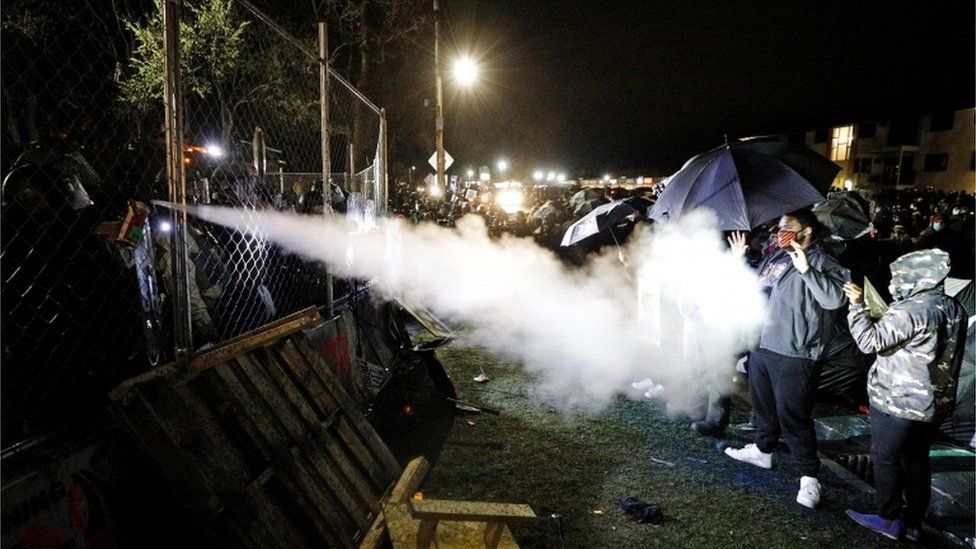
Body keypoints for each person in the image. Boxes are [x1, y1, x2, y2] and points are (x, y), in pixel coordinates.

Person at [724, 208, 849, 509]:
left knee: (793, 416)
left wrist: (807, 269)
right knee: (763, 406)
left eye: (786, 227)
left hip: (797, 353)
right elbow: (755, 289)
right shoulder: (775, 257)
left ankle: (809, 478)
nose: (779, 232)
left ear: (806, 231)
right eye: (778, 227)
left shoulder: (824, 262)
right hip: (763, 345)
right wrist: (740, 260)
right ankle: (763, 451)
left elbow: (834, 300)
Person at [842, 249, 967, 542]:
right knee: (917, 460)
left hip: (897, 402)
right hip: (933, 404)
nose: (894, 282)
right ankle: (913, 523)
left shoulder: (909, 310)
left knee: (884, 457)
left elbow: (869, 341)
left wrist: (857, 306)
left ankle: (888, 518)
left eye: (899, 276)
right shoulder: (953, 307)